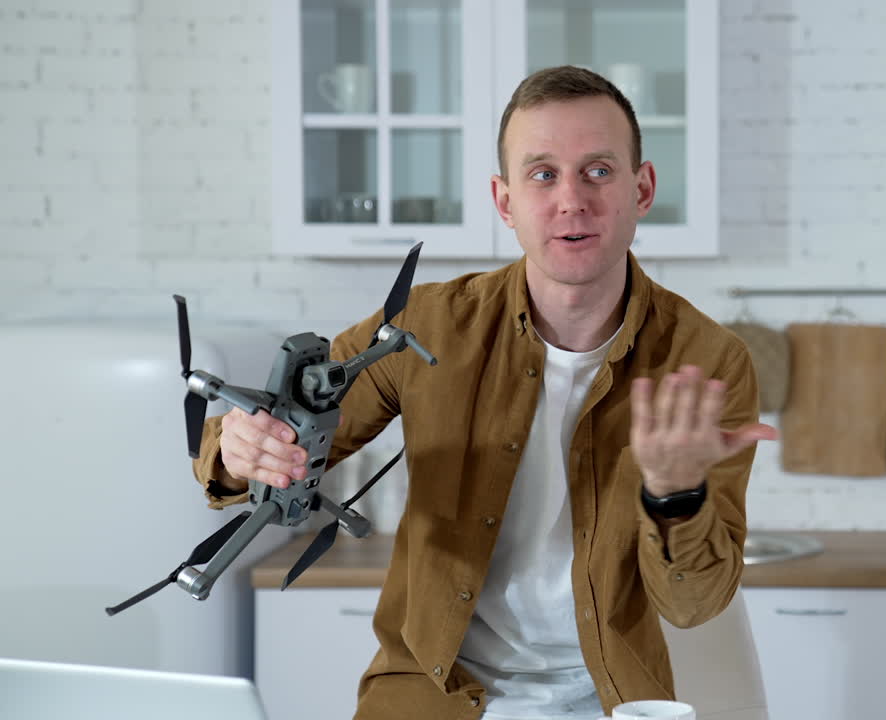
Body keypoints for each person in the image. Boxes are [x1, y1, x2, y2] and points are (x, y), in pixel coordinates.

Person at [192, 65, 777, 720]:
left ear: (642, 189)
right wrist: (241, 448)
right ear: (505, 202)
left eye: (599, 171)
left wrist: (678, 495)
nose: (571, 200)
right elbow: (286, 418)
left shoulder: (707, 363)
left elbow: (696, 604)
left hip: (615, 702)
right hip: (432, 698)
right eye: (543, 173)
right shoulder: (426, 327)